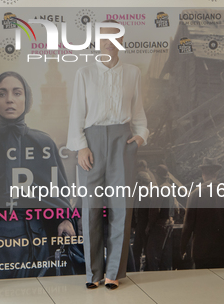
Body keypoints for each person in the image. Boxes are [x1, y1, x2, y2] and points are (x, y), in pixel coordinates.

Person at [0, 71, 76, 279]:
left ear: (27, 99)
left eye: (17, 93)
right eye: (2, 93)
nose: (10, 99)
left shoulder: (43, 143)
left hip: (34, 240)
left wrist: (64, 219)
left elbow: (56, 190)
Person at [67, 21, 148, 289]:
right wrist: (80, 146)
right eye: (104, 39)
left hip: (122, 143)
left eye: (114, 40)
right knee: (90, 210)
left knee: (120, 209)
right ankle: (93, 274)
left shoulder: (133, 73)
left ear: (121, 43)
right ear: (97, 42)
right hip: (91, 143)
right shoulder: (85, 73)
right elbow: (77, 113)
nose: (109, 44)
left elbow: (138, 114)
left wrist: (140, 137)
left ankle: (114, 272)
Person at [180, 157, 224, 269]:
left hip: (201, 251)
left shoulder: (195, 194)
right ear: (216, 173)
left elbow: (188, 225)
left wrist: (182, 248)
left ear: (203, 173)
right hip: (223, 251)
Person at [145, 165, 175, 271]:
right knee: (165, 256)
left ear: (157, 176)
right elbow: (176, 208)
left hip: (159, 225)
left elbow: (154, 210)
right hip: (168, 225)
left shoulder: (159, 189)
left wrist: (149, 226)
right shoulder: (170, 188)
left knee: (152, 254)